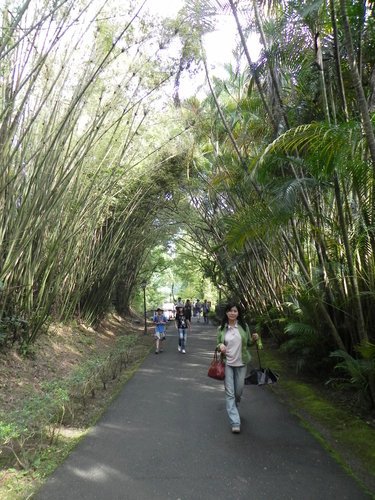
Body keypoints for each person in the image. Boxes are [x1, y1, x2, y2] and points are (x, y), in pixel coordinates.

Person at [217, 303, 259, 434]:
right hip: (227, 363)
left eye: (234, 311)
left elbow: (248, 344)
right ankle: (235, 422)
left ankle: (235, 405)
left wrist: (254, 339)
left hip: (242, 362)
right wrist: (220, 346)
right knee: (230, 393)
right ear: (226, 313)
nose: (232, 313)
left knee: (238, 391)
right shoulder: (222, 328)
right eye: (230, 311)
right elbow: (218, 343)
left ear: (238, 313)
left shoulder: (243, 327)